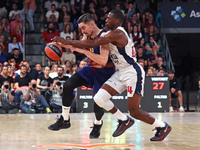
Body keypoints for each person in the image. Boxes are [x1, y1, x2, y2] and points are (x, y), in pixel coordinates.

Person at [52, 10, 172, 141]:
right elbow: (105, 53)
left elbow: (92, 44)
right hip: (121, 71)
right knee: (99, 98)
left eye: (109, 18)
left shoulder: (118, 33)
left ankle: (162, 126)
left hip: (132, 72)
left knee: (134, 111)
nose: (106, 20)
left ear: (116, 21)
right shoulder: (109, 33)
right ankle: (124, 119)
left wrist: (68, 42)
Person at [48, 13, 116, 139]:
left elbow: (102, 60)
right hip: (91, 69)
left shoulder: (104, 36)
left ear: (92, 25)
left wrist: (83, 51)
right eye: (80, 29)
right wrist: (61, 44)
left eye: (83, 28)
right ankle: (65, 119)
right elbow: (76, 45)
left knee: (97, 103)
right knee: (68, 85)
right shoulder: (87, 35)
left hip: (105, 73)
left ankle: (97, 124)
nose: (82, 31)